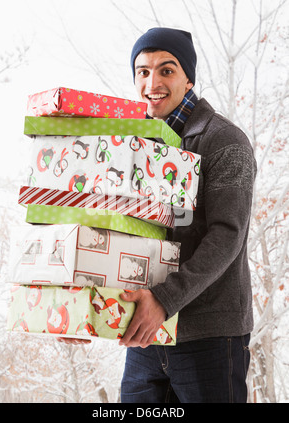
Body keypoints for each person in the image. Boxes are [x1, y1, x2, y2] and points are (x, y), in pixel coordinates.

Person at [118, 27, 257, 403]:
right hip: (147, 334)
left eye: (167, 70)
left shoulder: (225, 140)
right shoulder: (136, 143)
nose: (152, 82)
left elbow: (228, 233)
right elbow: (121, 231)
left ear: (188, 78)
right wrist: (86, 306)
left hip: (208, 336)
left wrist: (165, 299)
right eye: (143, 72)